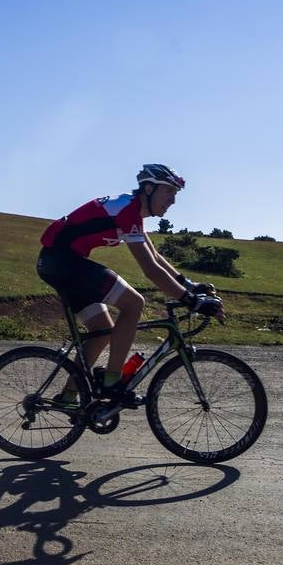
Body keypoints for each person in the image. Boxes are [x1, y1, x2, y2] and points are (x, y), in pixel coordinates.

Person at [36, 163, 225, 408]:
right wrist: (191, 301)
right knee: (134, 303)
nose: (172, 201)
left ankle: (69, 398)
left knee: (101, 328)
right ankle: (112, 382)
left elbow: (155, 257)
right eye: (169, 192)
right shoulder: (127, 210)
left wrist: (188, 285)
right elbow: (150, 270)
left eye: (175, 195)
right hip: (62, 262)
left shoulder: (131, 210)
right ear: (148, 188)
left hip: (59, 263)